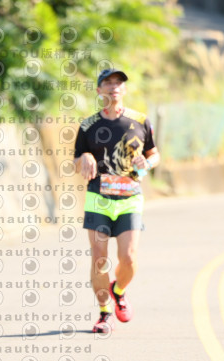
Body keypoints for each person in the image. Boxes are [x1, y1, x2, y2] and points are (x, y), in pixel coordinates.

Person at [73, 68, 160, 333]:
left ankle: (118, 290)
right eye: (108, 83)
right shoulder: (88, 125)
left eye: (119, 83)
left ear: (124, 89)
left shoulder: (140, 120)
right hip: (98, 198)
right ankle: (104, 313)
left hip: (129, 198)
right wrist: (85, 157)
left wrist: (147, 163)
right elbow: (76, 160)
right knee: (99, 259)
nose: (114, 87)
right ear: (99, 90)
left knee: (129, 258)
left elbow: (154, 154)